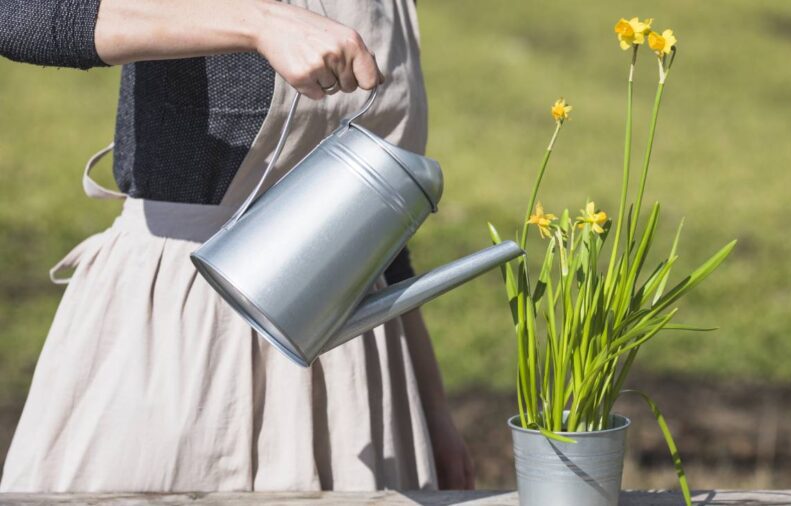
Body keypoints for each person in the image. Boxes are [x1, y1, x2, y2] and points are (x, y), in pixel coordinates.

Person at [0, 0, 474, 492]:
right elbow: (19, 16)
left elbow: (378, 232)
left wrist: (434, 410)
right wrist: (260, 23)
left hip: (351, 373)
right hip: (182, 330)